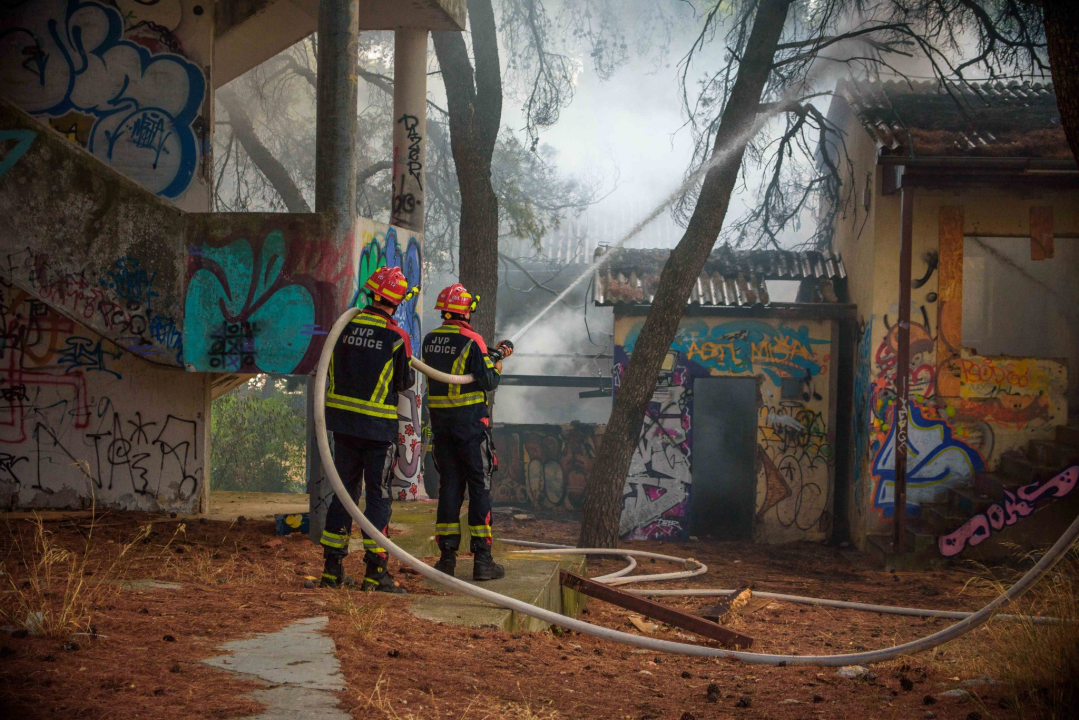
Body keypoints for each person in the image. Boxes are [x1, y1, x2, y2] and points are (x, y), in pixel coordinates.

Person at [320, 266, 417, 592]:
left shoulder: (343, 326)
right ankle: (376, 574)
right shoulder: (395, 336)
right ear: (398, 300)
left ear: (373, 292)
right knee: (378, 497)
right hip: (377, 430)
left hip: (343, 426)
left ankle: (331, 572)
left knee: (343, 494)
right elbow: (405, 382)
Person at [422, 283, 514, 581]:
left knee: (449, 486)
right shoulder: (472, 339)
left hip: (442, 428)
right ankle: (482, 561)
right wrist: (498, 359)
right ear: (466, 310)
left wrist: (487, 355)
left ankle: (446, 558)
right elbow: (487, 380)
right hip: (471, 429)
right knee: (479, 487)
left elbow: (457, 367)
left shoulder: (430, 340)